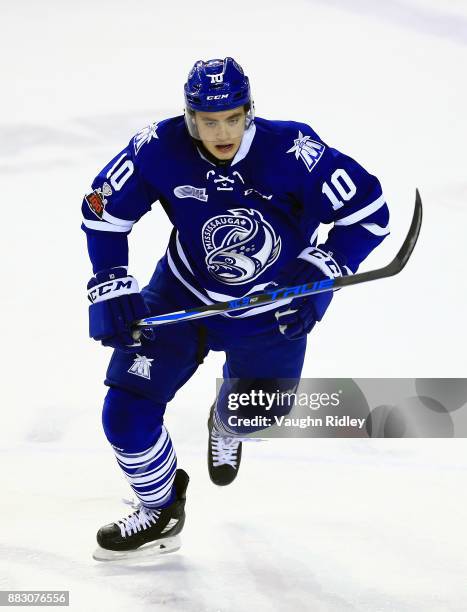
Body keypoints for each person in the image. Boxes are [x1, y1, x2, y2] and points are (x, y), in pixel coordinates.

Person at [82, 57, 390, 560]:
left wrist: (323, 266)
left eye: (232, 117)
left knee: (254, 420)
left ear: (250, 110)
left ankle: (225, 423)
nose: (221, 131)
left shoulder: (295, 152)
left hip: (272, 312)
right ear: (190, 118)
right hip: (181, 294)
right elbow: (101, 211)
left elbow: (370, 212)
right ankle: (160, 512)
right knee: (125, 415)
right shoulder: (158, 147)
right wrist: (110, 281)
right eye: (208, 120)